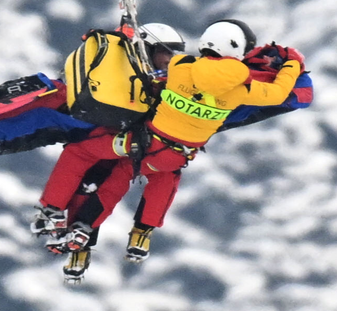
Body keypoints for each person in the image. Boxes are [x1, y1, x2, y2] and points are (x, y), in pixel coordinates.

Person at [34, 19, 305, 281]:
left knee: (81, 154)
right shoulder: (241, 90)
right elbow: (278, 92)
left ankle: (55, 212)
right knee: (150, 176)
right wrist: (292, 63)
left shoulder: (180, 67)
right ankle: (140, 234)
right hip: (174, 156)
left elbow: (151, 75)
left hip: (140, 144)